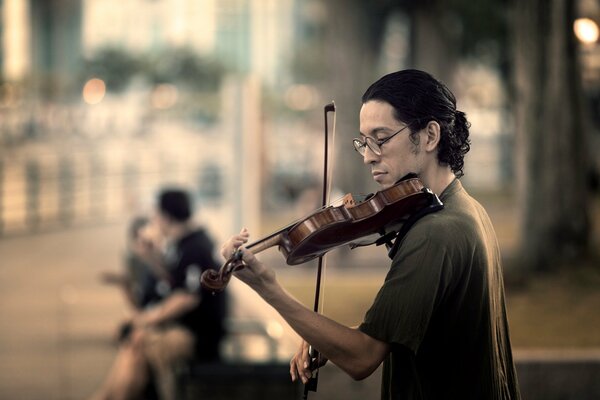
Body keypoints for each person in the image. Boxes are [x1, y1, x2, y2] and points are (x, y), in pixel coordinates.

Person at [221, 69, 521, 399]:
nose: (367, 156)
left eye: (380, 138)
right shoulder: (466, 209)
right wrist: (325, 336)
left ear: (430, 136)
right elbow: (404, 331)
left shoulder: (435, 233)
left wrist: (269, 288)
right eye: (363, 141)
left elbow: (362, 357)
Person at [90, 188, 228, 400]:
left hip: (199, 337)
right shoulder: (186, 244)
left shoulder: (195, 247)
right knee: (137, 343)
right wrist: (150, 257)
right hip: (184, 329)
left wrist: (146, 320)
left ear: (166, 215)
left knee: (140, 342)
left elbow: (186, 298)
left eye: (156, 213)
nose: (153, 219)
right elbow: (172, 280)